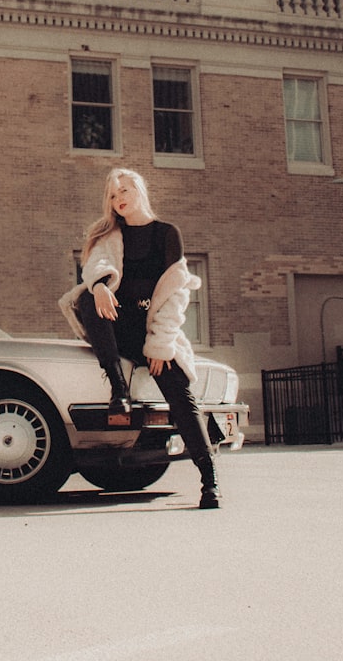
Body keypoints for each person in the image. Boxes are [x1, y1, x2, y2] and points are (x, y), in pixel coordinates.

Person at [58, 168, 220, 509]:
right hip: (118, 329)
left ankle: (210, 480)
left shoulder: (166, 234)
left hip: (153, 331)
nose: (120, 200)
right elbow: (95, 268)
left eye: (125, 191)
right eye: (114, 196)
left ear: (140, 191)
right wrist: (100, 285)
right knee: (88, 296)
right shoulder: (107, 237)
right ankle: (120, 390)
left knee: (179, 394)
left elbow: (176, 296)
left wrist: (160, 344)